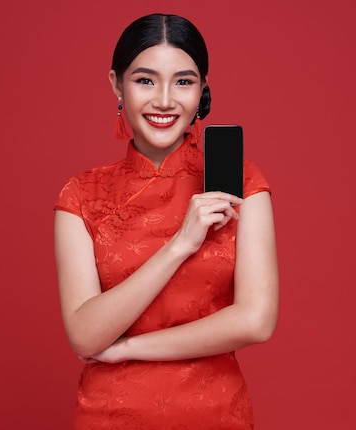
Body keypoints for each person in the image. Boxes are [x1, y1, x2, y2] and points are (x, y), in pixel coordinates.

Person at [54, 13, 278, 429]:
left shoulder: (244, 183)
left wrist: (126, 349)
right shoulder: (82, 195)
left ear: (202, 90)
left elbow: (256, 320)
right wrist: (180, 244)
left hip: (215, 415)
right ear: (116, 84)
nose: (164, 100)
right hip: (110, 417)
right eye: (145, 80)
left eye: (183, 81)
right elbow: (84, 335)